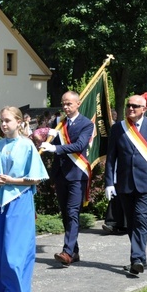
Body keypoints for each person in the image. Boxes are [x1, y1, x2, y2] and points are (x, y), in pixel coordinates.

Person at [0, 106, 49, 292]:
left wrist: (13, 181)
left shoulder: (27, 146)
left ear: (19, 122)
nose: (3, 124)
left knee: (14, 251)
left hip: (19, 200)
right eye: (1, 120)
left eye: (7, 120)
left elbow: (36, 177)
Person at [105, 94, 147, 275]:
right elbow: (111, 157)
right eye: (128, 105)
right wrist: (109, 182)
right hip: (125, 182)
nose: (131, 108)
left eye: (135, 106)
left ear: (144, 109)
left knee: (141, 217)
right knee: (131, 222)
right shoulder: (118, 128)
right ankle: (141, 258)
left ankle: (136, 259)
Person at [40, 91, 94, 266]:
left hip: (77, 174)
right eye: (63, 104)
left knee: (72, 212)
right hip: (61, 174)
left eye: (69, 104)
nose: (65, 107)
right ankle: (74, 251)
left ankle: (67, 251)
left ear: (78, 104)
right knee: (65, 214)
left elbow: (79, 145)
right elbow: (52, 144)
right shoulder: (58, 122)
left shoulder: (86, 124)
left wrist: (56, 149)